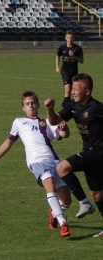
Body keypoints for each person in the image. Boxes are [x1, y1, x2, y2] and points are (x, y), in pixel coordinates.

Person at [0, 91, 73, 237]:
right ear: (23, 108)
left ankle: (54, 212)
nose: (31, 106)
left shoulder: (48, 121)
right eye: (27, 104)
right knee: (49, 185)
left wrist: (65, 129)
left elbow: (64, 135)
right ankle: (63, 223)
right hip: (37, 162)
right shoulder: (19, 122)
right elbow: (8, 142)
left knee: (67, 201)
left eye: (33, 103)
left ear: (38, 104)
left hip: (55, 161)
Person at [44, 73, 103, 238]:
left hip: (98, 153)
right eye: (72, 88)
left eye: (76, 89)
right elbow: (54, 121)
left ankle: (84, 204)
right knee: (97, 194)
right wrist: (49, 109)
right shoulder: (73, 106)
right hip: (90, 154)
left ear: (87, 92)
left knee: (62, 167)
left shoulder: (96, 108)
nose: (73, 92)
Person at [56, 30, 84, 108]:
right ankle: (67, 106)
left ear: (74, 38)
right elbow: (58, 56)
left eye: (71, 37)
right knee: (68, 89)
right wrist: (57, 67)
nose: (70, 39)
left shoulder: (78, 48)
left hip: (74, 71)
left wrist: (74, 56)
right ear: (65, 38)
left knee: (72, 90)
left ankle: (65, 103)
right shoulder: (62, 47)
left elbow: (81, 61)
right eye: (68, 37)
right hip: (65, 71)